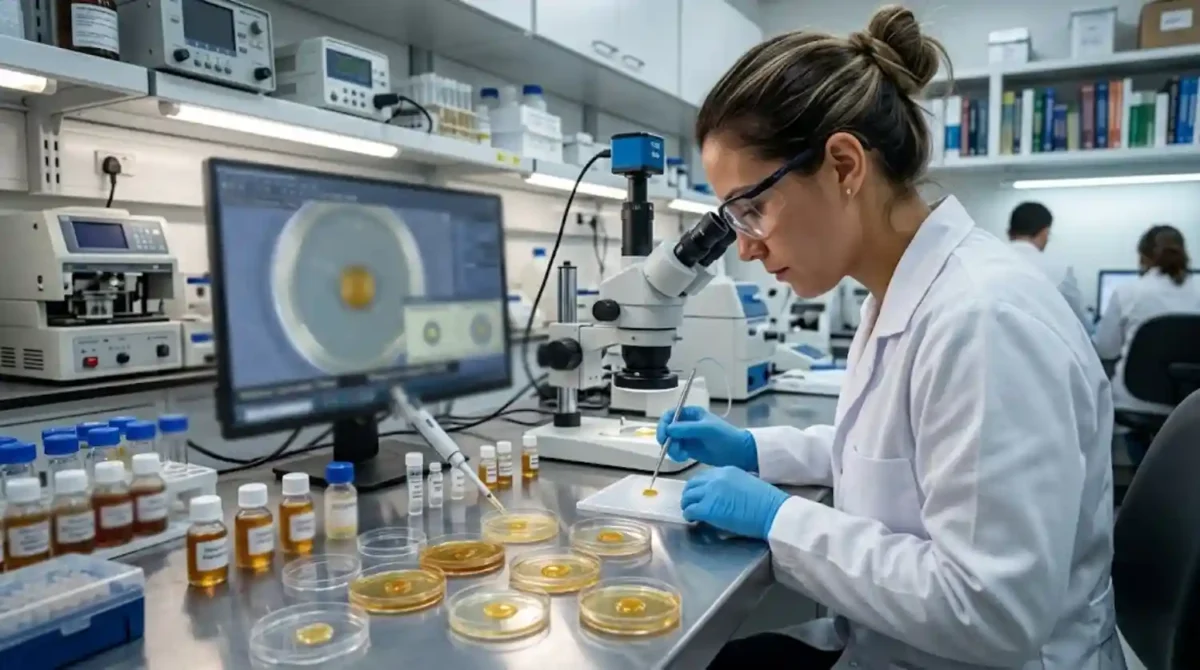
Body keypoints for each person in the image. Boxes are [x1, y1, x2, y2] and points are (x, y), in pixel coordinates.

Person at [660, 5, 1122, 669]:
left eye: (751, 209)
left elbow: (992, 611)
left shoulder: (983, 320)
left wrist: (779, 519)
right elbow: (896, 453)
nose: (748, 248)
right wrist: (753, 448)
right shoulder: (902, 292)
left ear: (845, 164)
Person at [1094, 224, 1200, 463]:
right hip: (1192, 402)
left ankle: (1140, 483)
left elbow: (1105, 349)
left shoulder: (1128, 292)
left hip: (1137, 402)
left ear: (1143, 257)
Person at [1007, 201, 1090, 326]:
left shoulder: (985, 263)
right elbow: (1078, 323)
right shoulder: (1060, 270)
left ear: (1009, 232)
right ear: (1045, 233)